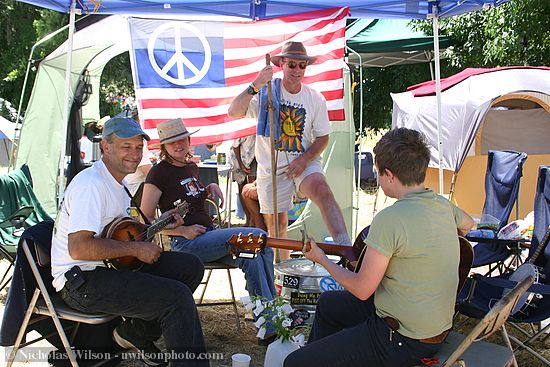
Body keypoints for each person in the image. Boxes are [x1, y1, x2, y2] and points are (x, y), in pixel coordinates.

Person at [284, 128, 476, 367]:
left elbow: (362, 289)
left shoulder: (390, 218)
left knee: (295, 363)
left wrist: (321, 258)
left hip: (402, 338)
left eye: (377, 172)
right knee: (329, 305)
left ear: (389, 175)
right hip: (434, 327)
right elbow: (469, 224)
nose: (376, 178)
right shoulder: (442, 205)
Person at [51, 116, 209, 367]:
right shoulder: (91, 185)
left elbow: (119, 233)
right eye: (126, 146)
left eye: (138, 147)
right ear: (106, 146)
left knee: (190, 267)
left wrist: (160, 222)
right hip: (82, 281)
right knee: (175, 299)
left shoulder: (118, 182)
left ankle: (134, 334)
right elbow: (79, 247)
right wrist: (136, 248)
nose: (134, 154)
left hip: (112, 266)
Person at [228, 41, 351, 259]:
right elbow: (234, 112)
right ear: (282, 65)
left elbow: (323, 137)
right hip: (271, 166)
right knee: (277, 224)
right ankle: (282, 274)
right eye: (292, 64)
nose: (297, 70)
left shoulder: (314, 98)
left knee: (323, 192)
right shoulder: (267, 92)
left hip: (304, 159)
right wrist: (256, 83)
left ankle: (346, 250)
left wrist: (304, 159)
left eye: (302, 65)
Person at [140, 118, 277, 302]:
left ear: (189, 141)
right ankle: (271, 317)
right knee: (256, 235)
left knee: (257, 252)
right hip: (186, 244)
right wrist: (182, 231)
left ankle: (272, 319)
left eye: (182, 139)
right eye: (172, 142)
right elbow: (145, 221)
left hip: (210, 238)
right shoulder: (158, 172)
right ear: (164, 146)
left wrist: (209, 187)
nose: (178, 145)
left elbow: (191, 196)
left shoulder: (191, 167)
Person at [230, 136, 266, 230]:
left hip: (256, 156)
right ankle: (249, 219)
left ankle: (254, 221)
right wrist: (241, 164)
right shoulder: (243, 127)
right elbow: (235, 146)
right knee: (243, 188)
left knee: (251, 188)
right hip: (241, 158)